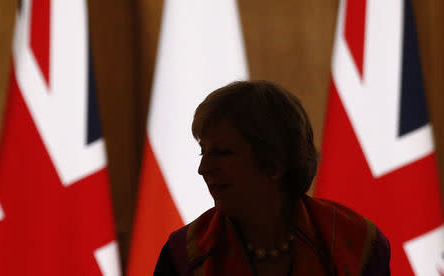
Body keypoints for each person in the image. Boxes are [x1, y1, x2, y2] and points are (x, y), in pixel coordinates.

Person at [154, 80, 390, 276]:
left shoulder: (356, 243)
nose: (203, 168)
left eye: (223, 152)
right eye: (203, 151)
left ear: (275, 162)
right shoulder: (184, 255)